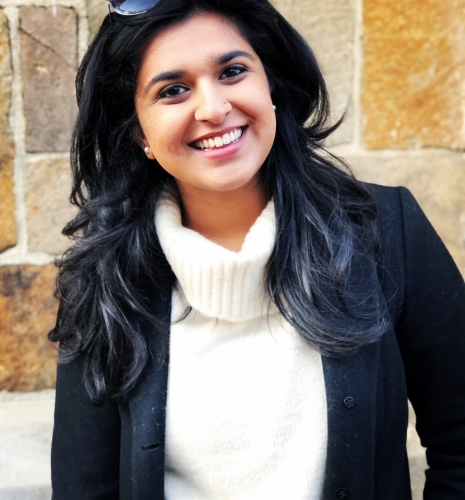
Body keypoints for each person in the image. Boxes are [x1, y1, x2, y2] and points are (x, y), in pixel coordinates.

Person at [49, 0, 465, 498]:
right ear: (140, 131)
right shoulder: (102, 280)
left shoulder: (386, 232)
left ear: (271, 85)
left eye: (232, 71)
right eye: (173, 90)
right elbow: (83, 489)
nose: (214, 108)